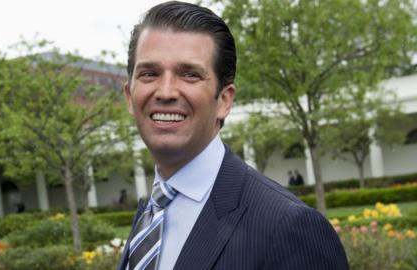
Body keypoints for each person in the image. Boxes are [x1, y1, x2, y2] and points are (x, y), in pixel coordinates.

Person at [118, 1, 348, 269]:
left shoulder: (290, 227)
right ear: (129, 97)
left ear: (224, 101)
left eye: (189, 74)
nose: (166, 91)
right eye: (149, 73)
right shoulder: (148, 216)